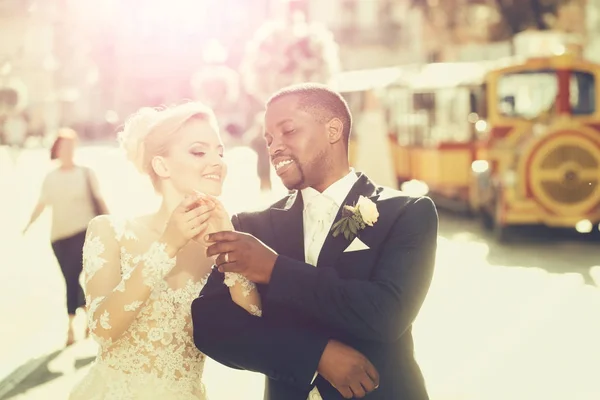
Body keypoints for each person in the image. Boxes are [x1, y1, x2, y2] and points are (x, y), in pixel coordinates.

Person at [191, 83, 439, 399]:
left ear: (333, 130)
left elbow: (387, 315)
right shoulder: (251, 226)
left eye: (288, 131)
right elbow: (211, 327)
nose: (274, 147)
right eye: (268, 139)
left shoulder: (406, 213)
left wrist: (274, 269)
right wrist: (314, 355)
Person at [68, 103, 261, 400]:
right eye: (199, 152)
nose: (217, 162)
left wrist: (227, 244)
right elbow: (102, 331)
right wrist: (167, 246)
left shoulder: (221, 243)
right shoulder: (111, 231)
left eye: (220, 152)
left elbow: (254, 328)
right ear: (162, 166)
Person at [23, 128, 109, 346]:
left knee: (73, 279)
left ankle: (71, 328)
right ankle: (88, 314)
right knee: (70, 279)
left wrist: (112, 225)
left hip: (83, 233)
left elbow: (100, 200)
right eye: (64, 147)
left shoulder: (86, 173)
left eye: (71, 146)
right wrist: (28, 225)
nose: (68, 151)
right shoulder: (50, 178)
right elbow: (41, 204)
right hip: (58, 238)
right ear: (57, 150)